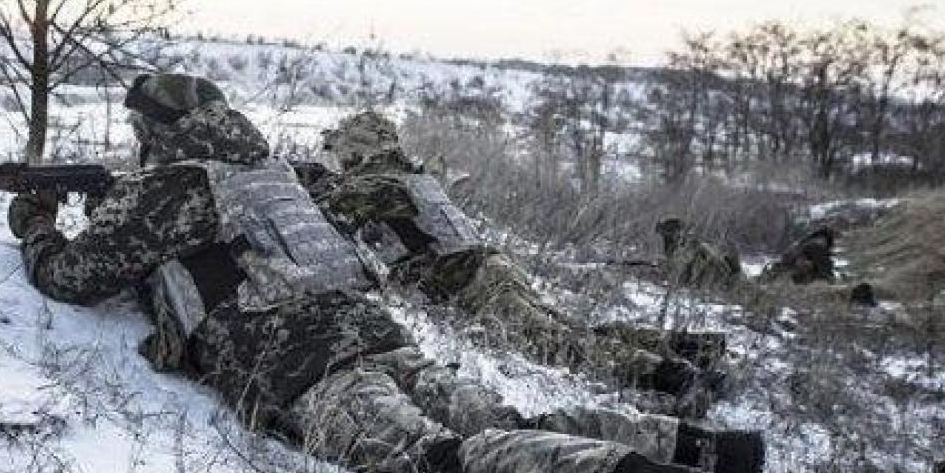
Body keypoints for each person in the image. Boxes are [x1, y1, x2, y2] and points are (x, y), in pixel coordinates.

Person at [7, 73, 764, 473]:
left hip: (303, 363)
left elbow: (74, 276)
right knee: (507, 424)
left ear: (154, 132)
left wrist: (37, 226)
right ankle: (708, 451)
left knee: (437, 463)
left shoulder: (168, 187)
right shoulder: (277, 172)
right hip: (379, 335)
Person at [299, 111, 727, 404]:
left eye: (342, 153)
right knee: (569, 331)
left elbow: (326, 209)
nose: (338, 160)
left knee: (560, 346)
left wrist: (301, 178)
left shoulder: (379, 183)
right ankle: (688, 349)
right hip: (488, 268)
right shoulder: (413, 175)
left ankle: (672, 377)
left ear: (360, 151)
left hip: (472, 282)